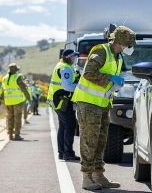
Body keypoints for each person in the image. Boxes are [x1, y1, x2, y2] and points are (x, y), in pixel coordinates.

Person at [72, 26, 136, 190]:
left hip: (102, 104)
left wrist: (115, 83)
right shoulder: (101, 51)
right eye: (128, 44)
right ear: (119, 42)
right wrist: (110, 78)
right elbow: (88, 74)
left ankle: (98, 175)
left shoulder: (118, 57)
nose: (130, 47)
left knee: (101, 142)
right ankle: (86, 178)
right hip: (88, 103)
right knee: (89, 141)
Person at [47, 49, 81, 161]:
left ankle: (62, 152)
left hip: (59, 100)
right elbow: (67, 86)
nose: (75, 59)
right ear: (68, 57)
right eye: (73, 57)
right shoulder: (65, 68)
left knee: (63, 126)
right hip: (63, 100)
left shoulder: (61, 65)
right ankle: (68, 153)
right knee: (70, 125)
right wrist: (79, 87)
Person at [2, 63, 31, 140]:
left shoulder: (4, 78)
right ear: (16, 70)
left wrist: (2, 100)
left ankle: (10, 135)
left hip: (8, 102)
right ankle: (17, 135)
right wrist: (28, 98)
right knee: (17, 118)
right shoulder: (18, 77)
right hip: (17, 101)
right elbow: (23, 88)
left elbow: (3, 91)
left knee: (10, 118)